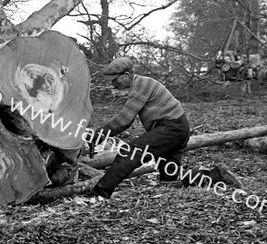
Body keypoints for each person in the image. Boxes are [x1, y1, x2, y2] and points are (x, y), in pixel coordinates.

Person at [88, 57, 240, 200]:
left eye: (115, 80)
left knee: (129, 153)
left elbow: (124, 120)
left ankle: (100, 192)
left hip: (171, 128)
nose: (113, 84)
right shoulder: (140, 84)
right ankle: (217, 175)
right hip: (177, 127)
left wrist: (99, 134)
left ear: (126, 75)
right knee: (170, 181)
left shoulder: (141, 85)